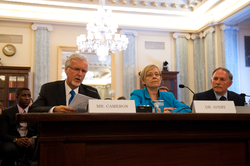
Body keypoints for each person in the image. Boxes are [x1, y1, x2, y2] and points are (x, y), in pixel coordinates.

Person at [30, 53, 101, 113]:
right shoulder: (49, 89)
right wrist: (54, 109)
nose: (80, 74)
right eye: (76, 69)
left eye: (83, 71)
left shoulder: (92, 93)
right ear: (66, 70)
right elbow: (33, 109)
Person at [0, 88, 37, 166]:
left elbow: (39, 130)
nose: (27, 98)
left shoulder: (35, 112)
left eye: (29, 95)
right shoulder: (7, 113)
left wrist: (32, 139)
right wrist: (16, 140)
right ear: (17, 97)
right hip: (12, 141)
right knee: (9, 149)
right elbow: (3, 134)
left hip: (30, 141)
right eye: (24, 95)